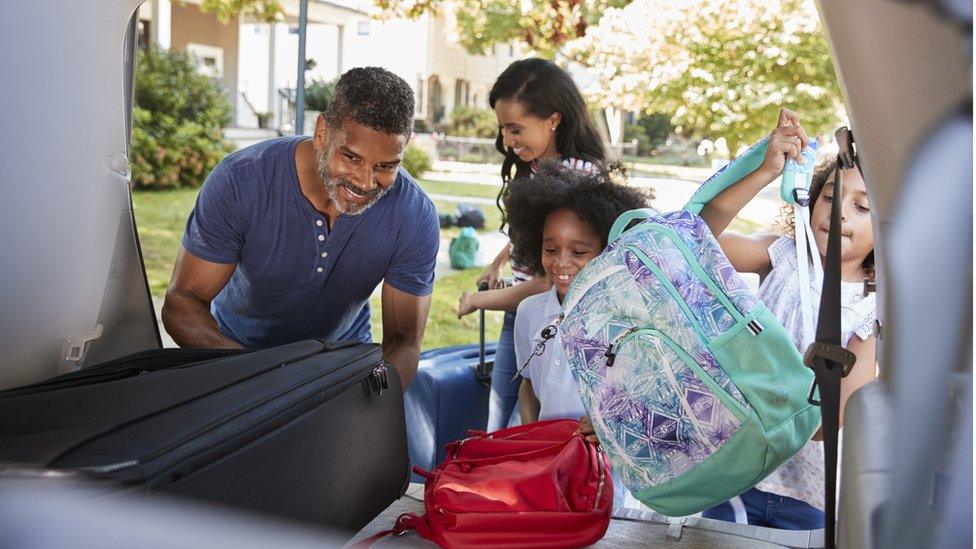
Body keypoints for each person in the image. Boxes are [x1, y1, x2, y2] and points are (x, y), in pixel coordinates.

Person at [161, 67, 439, 390]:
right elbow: (182, 302)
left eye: (385, 166)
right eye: (351, 157)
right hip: (237, 356)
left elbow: (404, 341)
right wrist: (254, 379)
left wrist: (368, 405)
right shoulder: (241, 180)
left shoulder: (414, 214)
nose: (365, 182)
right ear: (322, 132)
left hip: (340, 363)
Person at [697, 109, 878, 529]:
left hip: (810, 498)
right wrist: (765, 171)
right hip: (739, 475)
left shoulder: (871, 310)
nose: (840, 214)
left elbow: (832, 422)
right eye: (831, 198)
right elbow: (701, 233)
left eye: (862, 206)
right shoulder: (784, 257)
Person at [456, 58, 609, 431]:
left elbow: (549, 280)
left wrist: (477, 301)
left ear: (553, 120)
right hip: (522, 317)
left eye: (515, 129)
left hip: (554, 323)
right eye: (503, 129)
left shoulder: (577, 177)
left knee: (526, 431)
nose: (507, 141)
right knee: (500, 426)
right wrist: (498, 262)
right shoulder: (537, 165)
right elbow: (533, 233)